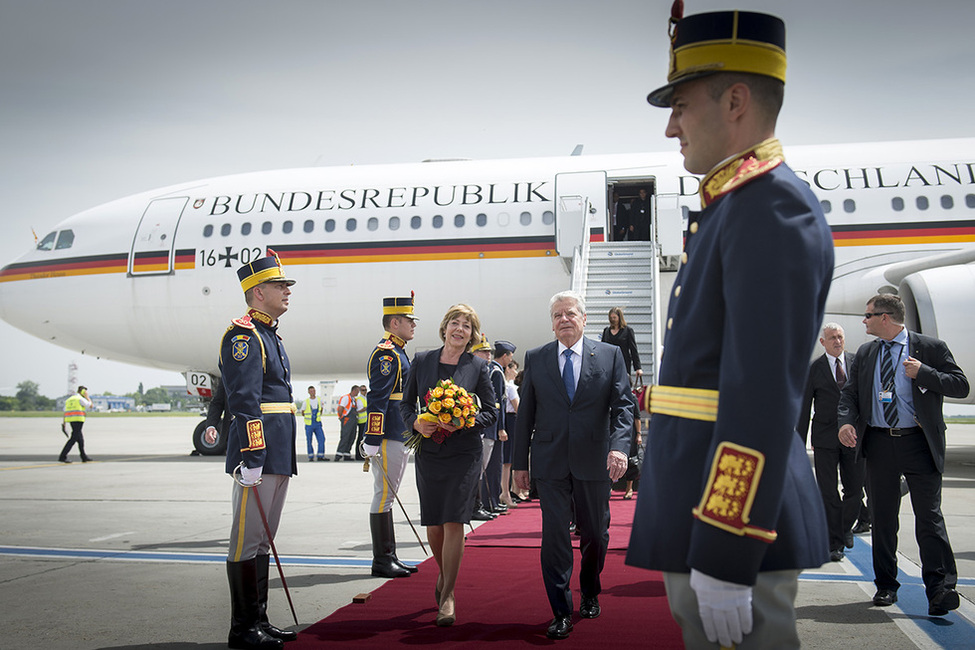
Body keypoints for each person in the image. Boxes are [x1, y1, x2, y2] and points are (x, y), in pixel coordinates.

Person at [625, 5, 834, 648]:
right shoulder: (734, 207)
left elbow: (763, 398)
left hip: (729, 517)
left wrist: (726, 543)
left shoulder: (768, 209)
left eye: (682, 105)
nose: (670, 127)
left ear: (736, 99)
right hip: (698, 494)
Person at [838, 293, 969, 616]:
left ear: (886, 318)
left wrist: (924, 373)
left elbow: (960, 385)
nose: (864, 321)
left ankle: (940, 589)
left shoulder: (930, 348)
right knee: (883, 519)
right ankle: (886, 585)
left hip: (919, 442)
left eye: (868, 316)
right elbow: (850, 395)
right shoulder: (867, 353)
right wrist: (845, 422)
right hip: (880, 444)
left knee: (930, 519)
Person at [513, 290, 634, 640]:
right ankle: (560, 610)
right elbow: (526, 416)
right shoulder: (537, 358)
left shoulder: (610, 355)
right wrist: (520, 463)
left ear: (584, 318)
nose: (564, 319)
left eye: (570, 313)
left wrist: (620, 448)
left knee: (596, 534)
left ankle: (590, 589)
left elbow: (624, 407)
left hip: (595, 460)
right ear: (551, 324)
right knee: (554, 537)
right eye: (557, 315)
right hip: (550, 463)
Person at [400, 303, 498, 627]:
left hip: (463, 452)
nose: (460, 329)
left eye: (467, 326)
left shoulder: (478, 366)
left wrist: (466, 421)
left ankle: (449, 595)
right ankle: (444, 574)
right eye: (455, 323)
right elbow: (405, 405)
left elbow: (491, 413)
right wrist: (415, 424)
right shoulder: (422, 360)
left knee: (454, 520)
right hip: (429, 451)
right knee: (433, 522)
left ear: (472, 335)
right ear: (445, 328)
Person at [219, 251, 298, 649]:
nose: (287, 291)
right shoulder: (243, 336)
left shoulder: (270, 334)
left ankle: (259, 622)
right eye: (280, 286)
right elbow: (245, 401)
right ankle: (242, 628)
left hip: (278, 451)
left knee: (264, 541)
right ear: (258, 292)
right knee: (245, 540)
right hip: (259, 453)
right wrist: (251, 457)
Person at [362, 295, 420, 579]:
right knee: (384, 495)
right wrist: (373, 438)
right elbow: (378, 399)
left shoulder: (399, 351)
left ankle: (389, 556)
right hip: (388, 434)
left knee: (389, 495)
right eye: (409, 321)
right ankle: (382, 559)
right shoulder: (386, 353)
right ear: (394, 322)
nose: (413, 325)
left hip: (400, 431)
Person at [797, 324, 864, 562]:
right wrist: (799, 443)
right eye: (832, 338)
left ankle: (844, 527)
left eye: (840, 337)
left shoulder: (858, 363)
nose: (837, 341)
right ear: (823, 342)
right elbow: (804, 409)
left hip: (853, 436)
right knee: (828, 492)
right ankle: (834, 543)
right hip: (824, 439)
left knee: (854, 490)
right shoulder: (814, 369)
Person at [470, 334, 501, 520]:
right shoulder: (473, 370)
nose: (488, 355)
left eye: (489, 352)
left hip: (485, 425)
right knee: (476, 470)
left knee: (481, 469)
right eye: (483, 352)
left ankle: (477, 504)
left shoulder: (490, 371)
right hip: (474, 426)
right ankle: (474, 506)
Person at [600, 307, 643, 380]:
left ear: (620, 318)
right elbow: (602, 349)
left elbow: (633, 350)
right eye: (611, 318)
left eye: (614, 317)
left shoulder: (627, 331)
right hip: (608, 365)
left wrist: (638, 368)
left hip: (623, 364)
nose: (612, 319)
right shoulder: (606, 331)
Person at [500, 358, 520, 508]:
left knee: (507, 459)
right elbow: (518, 407)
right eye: (514, 368)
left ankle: (506, 491)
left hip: (507, 420)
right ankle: (505, 492)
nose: (516, 372)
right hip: (511, 420)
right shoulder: (511, 388)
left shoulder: (508, 386)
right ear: (508, 369)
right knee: (507, 460)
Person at [59, 385, 93, 463]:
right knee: (73, 439)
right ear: (82, 392)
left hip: (71, 420)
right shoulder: (80, 399)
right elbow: (90, 405)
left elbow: (65, 411)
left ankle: (83, 456)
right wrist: (87, 397)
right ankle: (62, 456)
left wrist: (64, 423)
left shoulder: (69, 399)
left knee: (80, 439)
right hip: (78, 420)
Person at [301, 386, 326, 462]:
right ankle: (311, 456)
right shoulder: (306, 401)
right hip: (309, 424)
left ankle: (320, 455)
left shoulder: (319, 400)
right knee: (309, 440)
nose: (312, 392)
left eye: (313, 391)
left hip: (317, 423)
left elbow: (321, 409)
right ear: (308, 392)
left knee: (322, 439)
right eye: (311, 391)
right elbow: (302, 412)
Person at [334, 385, 359, 461]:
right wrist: (341, 417)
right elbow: (340, 408)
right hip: (347, 419)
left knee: (352, 437)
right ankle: (338, 454)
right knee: (345, 437)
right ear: (354, 390)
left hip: (353, 420)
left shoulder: (354, 399)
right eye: (357, 391)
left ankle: (346, 454)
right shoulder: (346, 398)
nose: (358, 393)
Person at [354, 385, 368, 460]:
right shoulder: (359, 399)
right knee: (360, 438)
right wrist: (367, 408)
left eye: (365, 390)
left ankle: (362, 454)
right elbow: (360, 409)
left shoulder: (365, 398)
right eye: (362, 390)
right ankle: (358, 455)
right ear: (360, 391)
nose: (364, 391)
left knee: (364, 438)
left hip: (366, 421)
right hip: (362, 421)